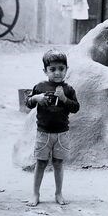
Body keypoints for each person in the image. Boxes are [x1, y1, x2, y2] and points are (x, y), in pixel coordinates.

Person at [25, 49, 80, 207]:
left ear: (66, 69)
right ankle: (35, 194)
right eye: (52, 69)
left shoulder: (68, 89)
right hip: (43, 133)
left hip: (62, 133)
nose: (57, 73)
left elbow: (76, 108)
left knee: (58, 163)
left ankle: (58, 193)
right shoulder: (40, 87)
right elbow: (28, 103)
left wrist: (64, 99)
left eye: (61, 69)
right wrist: (36, 98)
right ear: (45, 71)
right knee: (41, 163)